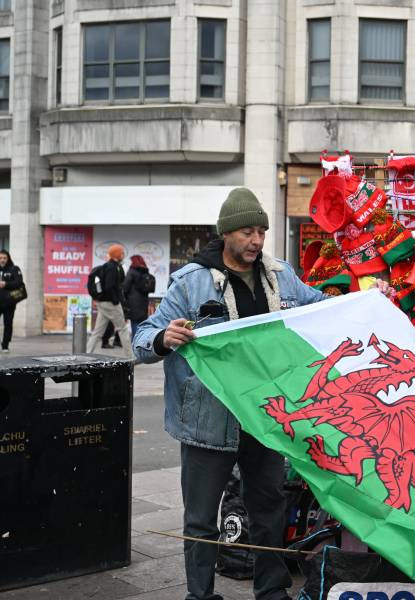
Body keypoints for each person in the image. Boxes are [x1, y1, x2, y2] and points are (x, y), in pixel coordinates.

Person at [133, 187, 325, 600]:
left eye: (262, 231)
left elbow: (319, 308)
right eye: (247, 232)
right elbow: (141, 339)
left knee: (269, 510)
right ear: (227, 234)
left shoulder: (282, 276)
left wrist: (364, 299)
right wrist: (165, 338)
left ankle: (272, 591)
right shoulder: (189, 282)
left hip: (266, 418)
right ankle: (199, 595)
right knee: (201, 520)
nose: (256, 241)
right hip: (208, 422)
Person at [88, 244, 133, 357]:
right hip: (110, 304)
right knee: (122, 329)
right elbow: (109, 286)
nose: (123, 255)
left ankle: (87, 354)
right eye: (121, 253)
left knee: (97, 332)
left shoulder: (107, 266)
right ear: (117, 254)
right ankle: (130, 357)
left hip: (102, 303)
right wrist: (115, 301)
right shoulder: (113, 268)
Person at [123, 254, 153, 339]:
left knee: (135, 324)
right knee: (141, 324)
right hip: (143, 302)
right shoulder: (145, 271)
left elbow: (125, 287)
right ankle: (140, 343)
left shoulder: (132, 271)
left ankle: (135, 345)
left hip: (133, 303)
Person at [0, 249, 23, 352]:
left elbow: (19, 282)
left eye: (5, 258)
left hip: (9, 302)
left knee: (8, 324)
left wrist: (6, 284)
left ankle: (5, 345)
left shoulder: (14, 269)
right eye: (0, 258)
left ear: (8, 259)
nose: (2, 260)